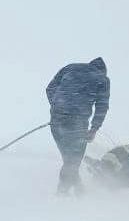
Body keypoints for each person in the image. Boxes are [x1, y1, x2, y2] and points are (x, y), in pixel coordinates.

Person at [46, 57, 110, 195]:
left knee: (69, 159)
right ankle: (62, 194)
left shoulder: (70, 68)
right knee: (73, 161)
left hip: (56, 121)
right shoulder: (102, 79)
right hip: (77, 123)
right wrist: (94, 128)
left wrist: (57, 107)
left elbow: (50, 88)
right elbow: (102, 107)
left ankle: (79, 189)